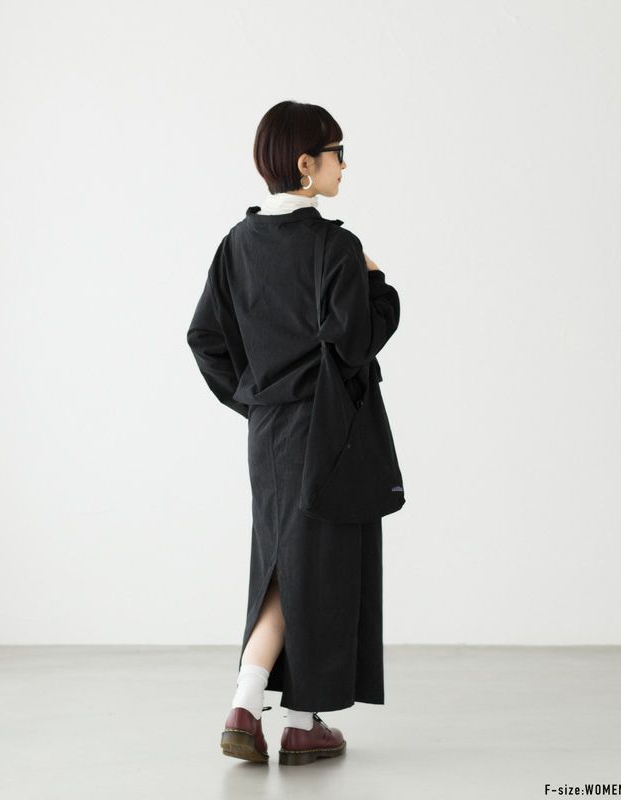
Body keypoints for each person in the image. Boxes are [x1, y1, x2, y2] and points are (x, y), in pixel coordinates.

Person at [186, 100, 401, 765]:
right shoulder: (335, 247)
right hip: (327, 432)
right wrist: (377, 283)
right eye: (337, 152)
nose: (344, 165)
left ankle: (265, 707)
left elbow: (206, 337)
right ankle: (282, 714)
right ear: (306, 164)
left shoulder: (237, 244)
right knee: (322, 568)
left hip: (271, 432)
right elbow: (355, 342)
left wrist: (255, 398)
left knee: (285, 564)